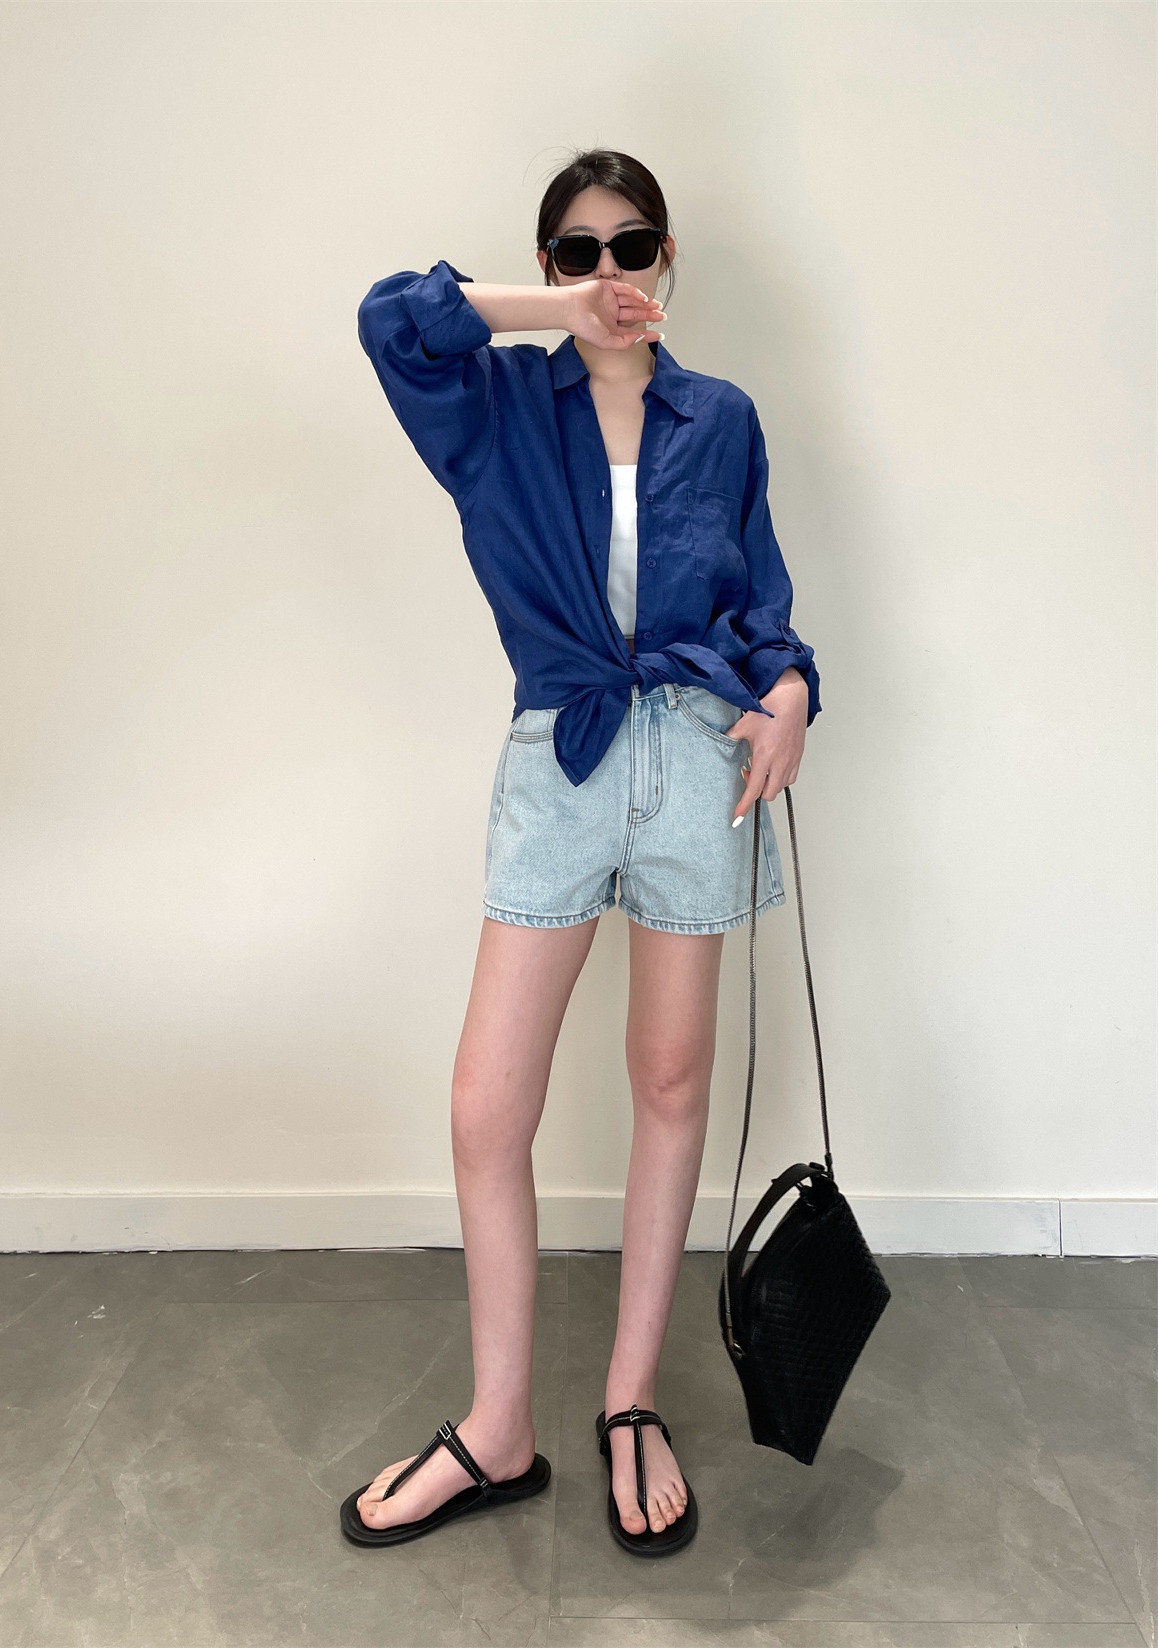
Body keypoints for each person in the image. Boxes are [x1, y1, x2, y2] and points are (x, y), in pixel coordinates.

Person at [341, 148, 821, 1557]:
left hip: (699, 764)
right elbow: (389, 317)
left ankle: (628, 1401)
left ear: (670, 259)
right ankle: (499, 1428)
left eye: (634, 245)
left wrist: (792, 689)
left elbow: (762, 601)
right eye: (578, 250)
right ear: (548, 264)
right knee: (487, 1108)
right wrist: (548, 314)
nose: (610, 273)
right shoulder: (495, 406)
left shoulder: (721, 419)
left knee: (668, 1084)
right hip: (559, 760)